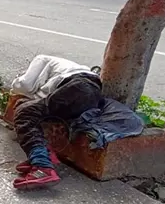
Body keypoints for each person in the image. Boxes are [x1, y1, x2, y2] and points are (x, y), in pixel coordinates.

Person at [10, 55, 103, 189]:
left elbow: (25, 85)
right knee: (40, 112)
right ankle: (44, 155)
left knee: (25, 112)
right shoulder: (66, 67)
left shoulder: (41, 58)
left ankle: (43, 167)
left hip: (78, 86)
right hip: (92, 94)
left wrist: (18, 80)